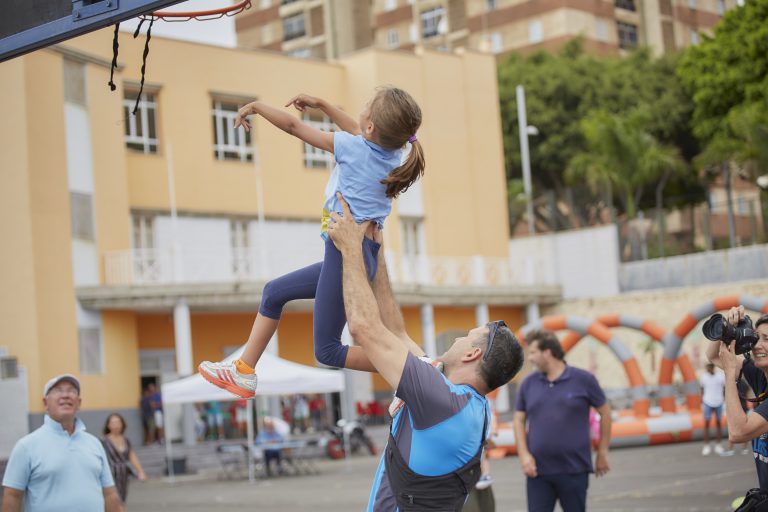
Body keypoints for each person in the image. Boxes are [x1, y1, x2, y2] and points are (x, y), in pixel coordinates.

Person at [199, 88, 425, 398]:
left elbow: (295, 127)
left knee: (328, 350)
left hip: (345, 251)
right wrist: (323, 105)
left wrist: (258, 107)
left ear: (371, 127)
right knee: (274, 292)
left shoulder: (352, 147)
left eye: (366, 107)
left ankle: (412, 369)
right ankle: (244, 371)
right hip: (364, 252)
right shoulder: (394, 153)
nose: (360, 111)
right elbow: (357, 129)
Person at [326, 194, 525, 511]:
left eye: (466, 337)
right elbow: (397, 332)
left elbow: (364, 327)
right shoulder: (470, 405)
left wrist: (351, 249)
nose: (457, 339)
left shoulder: (438, 399)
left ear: (472, 356)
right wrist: (377, 255)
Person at [514, 330, 612, 512]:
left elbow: (605, 413)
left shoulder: (584, 380)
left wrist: (602, 452)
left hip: (574, 470)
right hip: (538, 472)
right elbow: (519, 419)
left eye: (533, 352)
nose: (530, 359)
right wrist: (524, 455)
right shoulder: (528, 383)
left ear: (548, 352)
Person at [2, 374, 123, 512]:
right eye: (58, 390)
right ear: (45, 403)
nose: (65, 395)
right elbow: (12, 496)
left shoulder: (94, 443)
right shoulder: (26, 446)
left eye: (72, 391)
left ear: (79, 403)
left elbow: (109, 494)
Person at [707, 305, 768, 491]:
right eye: (757, 337)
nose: (757, 345)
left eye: (767, 339)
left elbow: (738, 432)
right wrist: (727, 328)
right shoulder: (761, 376)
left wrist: (730, 372)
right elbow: (713, 357)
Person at [101, 413, 147, 503]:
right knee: (113, 500)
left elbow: (132, 456)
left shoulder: (126, 440)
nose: (116, 425)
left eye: (118, 422)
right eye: (113, 423)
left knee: (122, 500)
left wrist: (140, 471)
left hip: (123, 475)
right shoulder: (103, 441)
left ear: (122, 424)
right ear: (108, 425)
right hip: (110, 475)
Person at [700, 362, 726, 455]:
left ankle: (718, 445)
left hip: (719, 402)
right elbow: (702, 389)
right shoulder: (704, 377)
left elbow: (724, 389)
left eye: (709, 367)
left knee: (718, 423)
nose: (708, 369)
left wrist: (724, 400)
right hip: (707, 402)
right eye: (707, 367)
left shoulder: (720, 376)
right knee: (706, 424)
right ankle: (706, 446)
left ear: (713, 367)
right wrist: (702, 401)